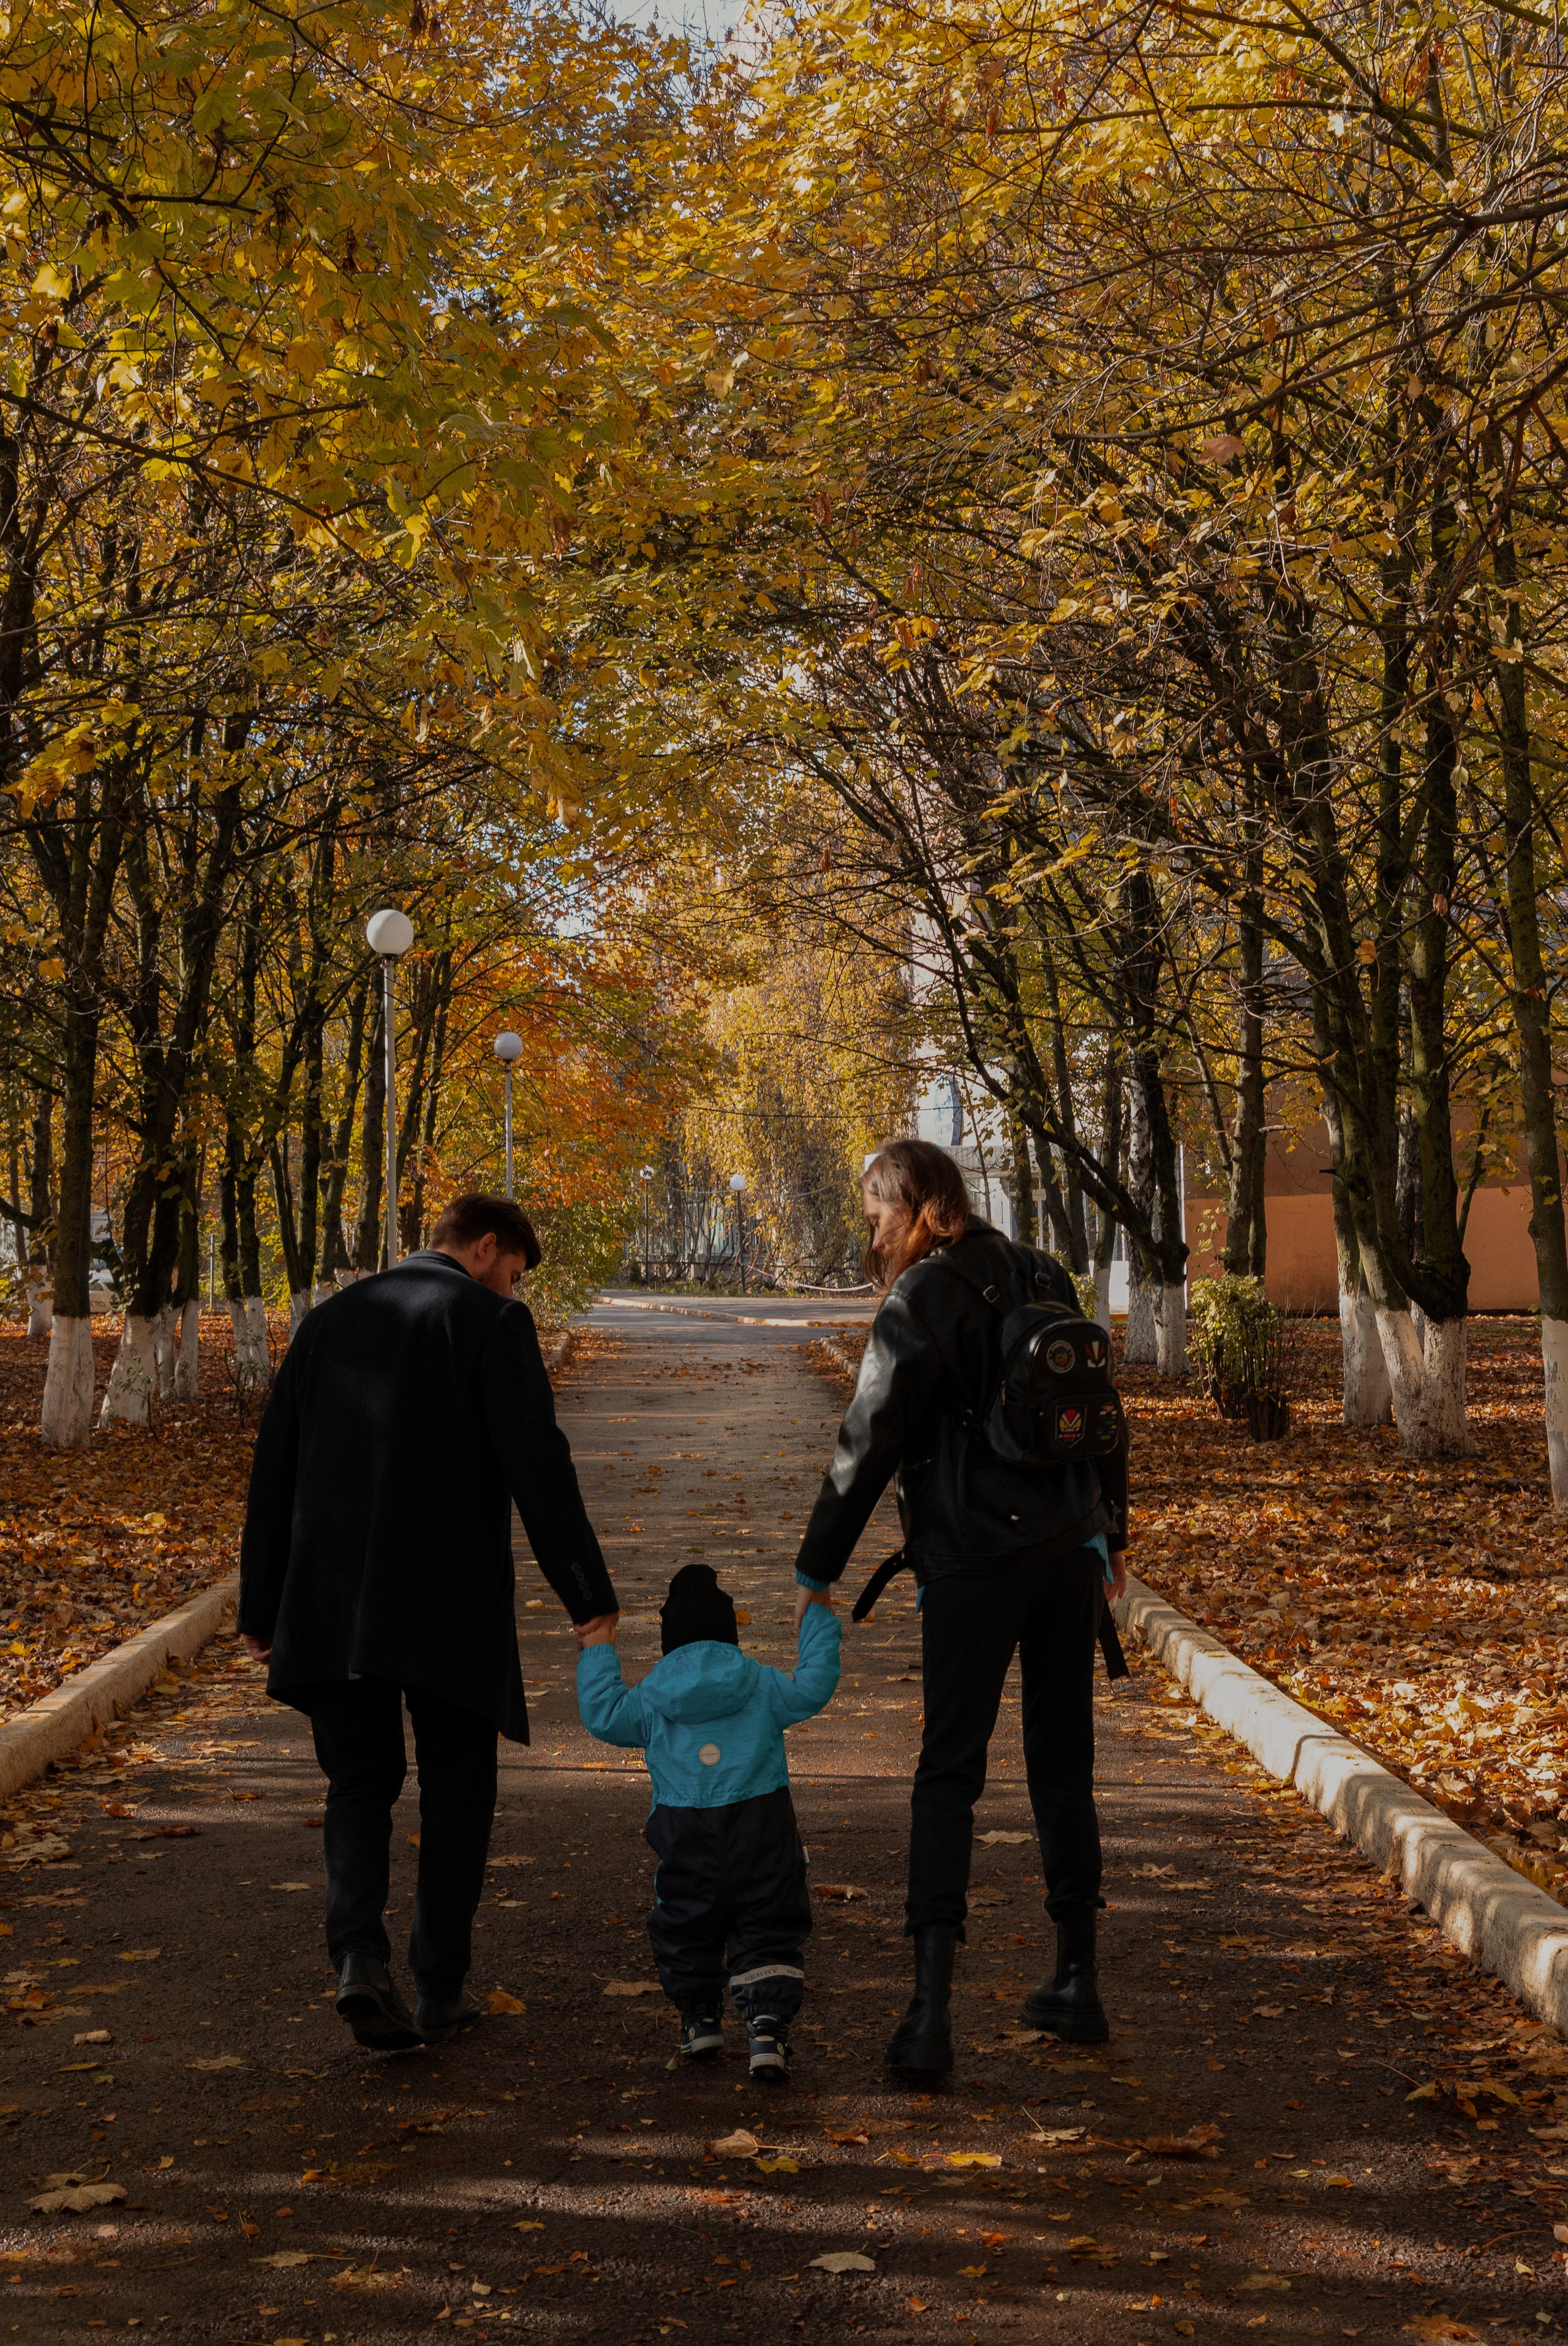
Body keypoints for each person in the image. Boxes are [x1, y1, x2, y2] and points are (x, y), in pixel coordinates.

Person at [238, 1192, 617, 2052]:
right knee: (457, 1787)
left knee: (359, 1783)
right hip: (446, 1602)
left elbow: (276, 1466)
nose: (514, 1292)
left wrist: (263, 1604)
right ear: (486, 1249)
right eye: (514, 1275)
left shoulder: (329, 1322)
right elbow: (537, 1462)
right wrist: (587, 1592)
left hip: (332, 1601)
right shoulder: (486, 1323)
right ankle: (441, 1984)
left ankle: (358, 1961)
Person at [791, 1137, 1130, 2076]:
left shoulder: (924, 1296)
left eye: (876, 1218)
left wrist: (818, 1566)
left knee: (949, 1774)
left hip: (974, 1564)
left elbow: (871, 1437)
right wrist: (1116, 1534)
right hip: (1067, 1556)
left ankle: (930, 2012)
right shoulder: (1040, 1267)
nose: (874, 1236)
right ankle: (1078, 1982)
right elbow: (1102, 1405)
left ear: (911, 1205)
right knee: (1065, 1767)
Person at [576, 1562, 840, 2083]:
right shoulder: (761, 1685)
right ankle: (766, 2028)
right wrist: (817, 1612)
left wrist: (599, 1643)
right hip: (761, 1824)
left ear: (667, 1641)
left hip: (685, 1830)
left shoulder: (651, 1701)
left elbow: (602, 1712)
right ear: (730, 1634)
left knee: (685, 1917)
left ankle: (700, 2018)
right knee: (768, 1918)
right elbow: (815, 1683)